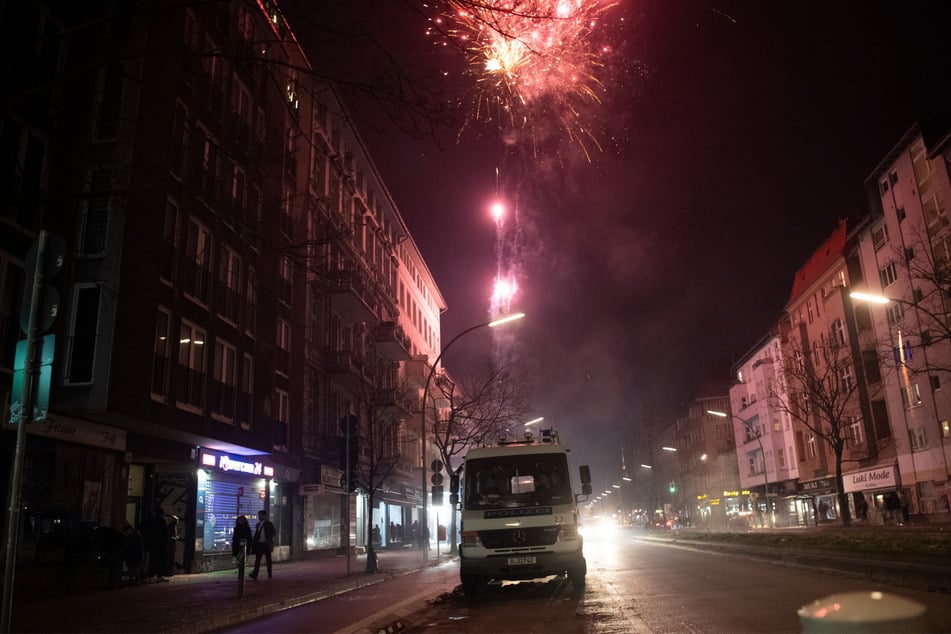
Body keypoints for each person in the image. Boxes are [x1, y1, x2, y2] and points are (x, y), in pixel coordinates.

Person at [249, 510, 275, 580]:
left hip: (266, 544)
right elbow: (257, 534)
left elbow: (273, 532)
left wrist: (268, 539)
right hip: (260, 544)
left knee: (268, 560)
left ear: (264, 516)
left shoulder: (269, 524)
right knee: (257, 560)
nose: (259, 517)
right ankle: (255, 574)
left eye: (260, 515)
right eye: (259, 515)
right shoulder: (258, 524)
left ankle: (269, 574)